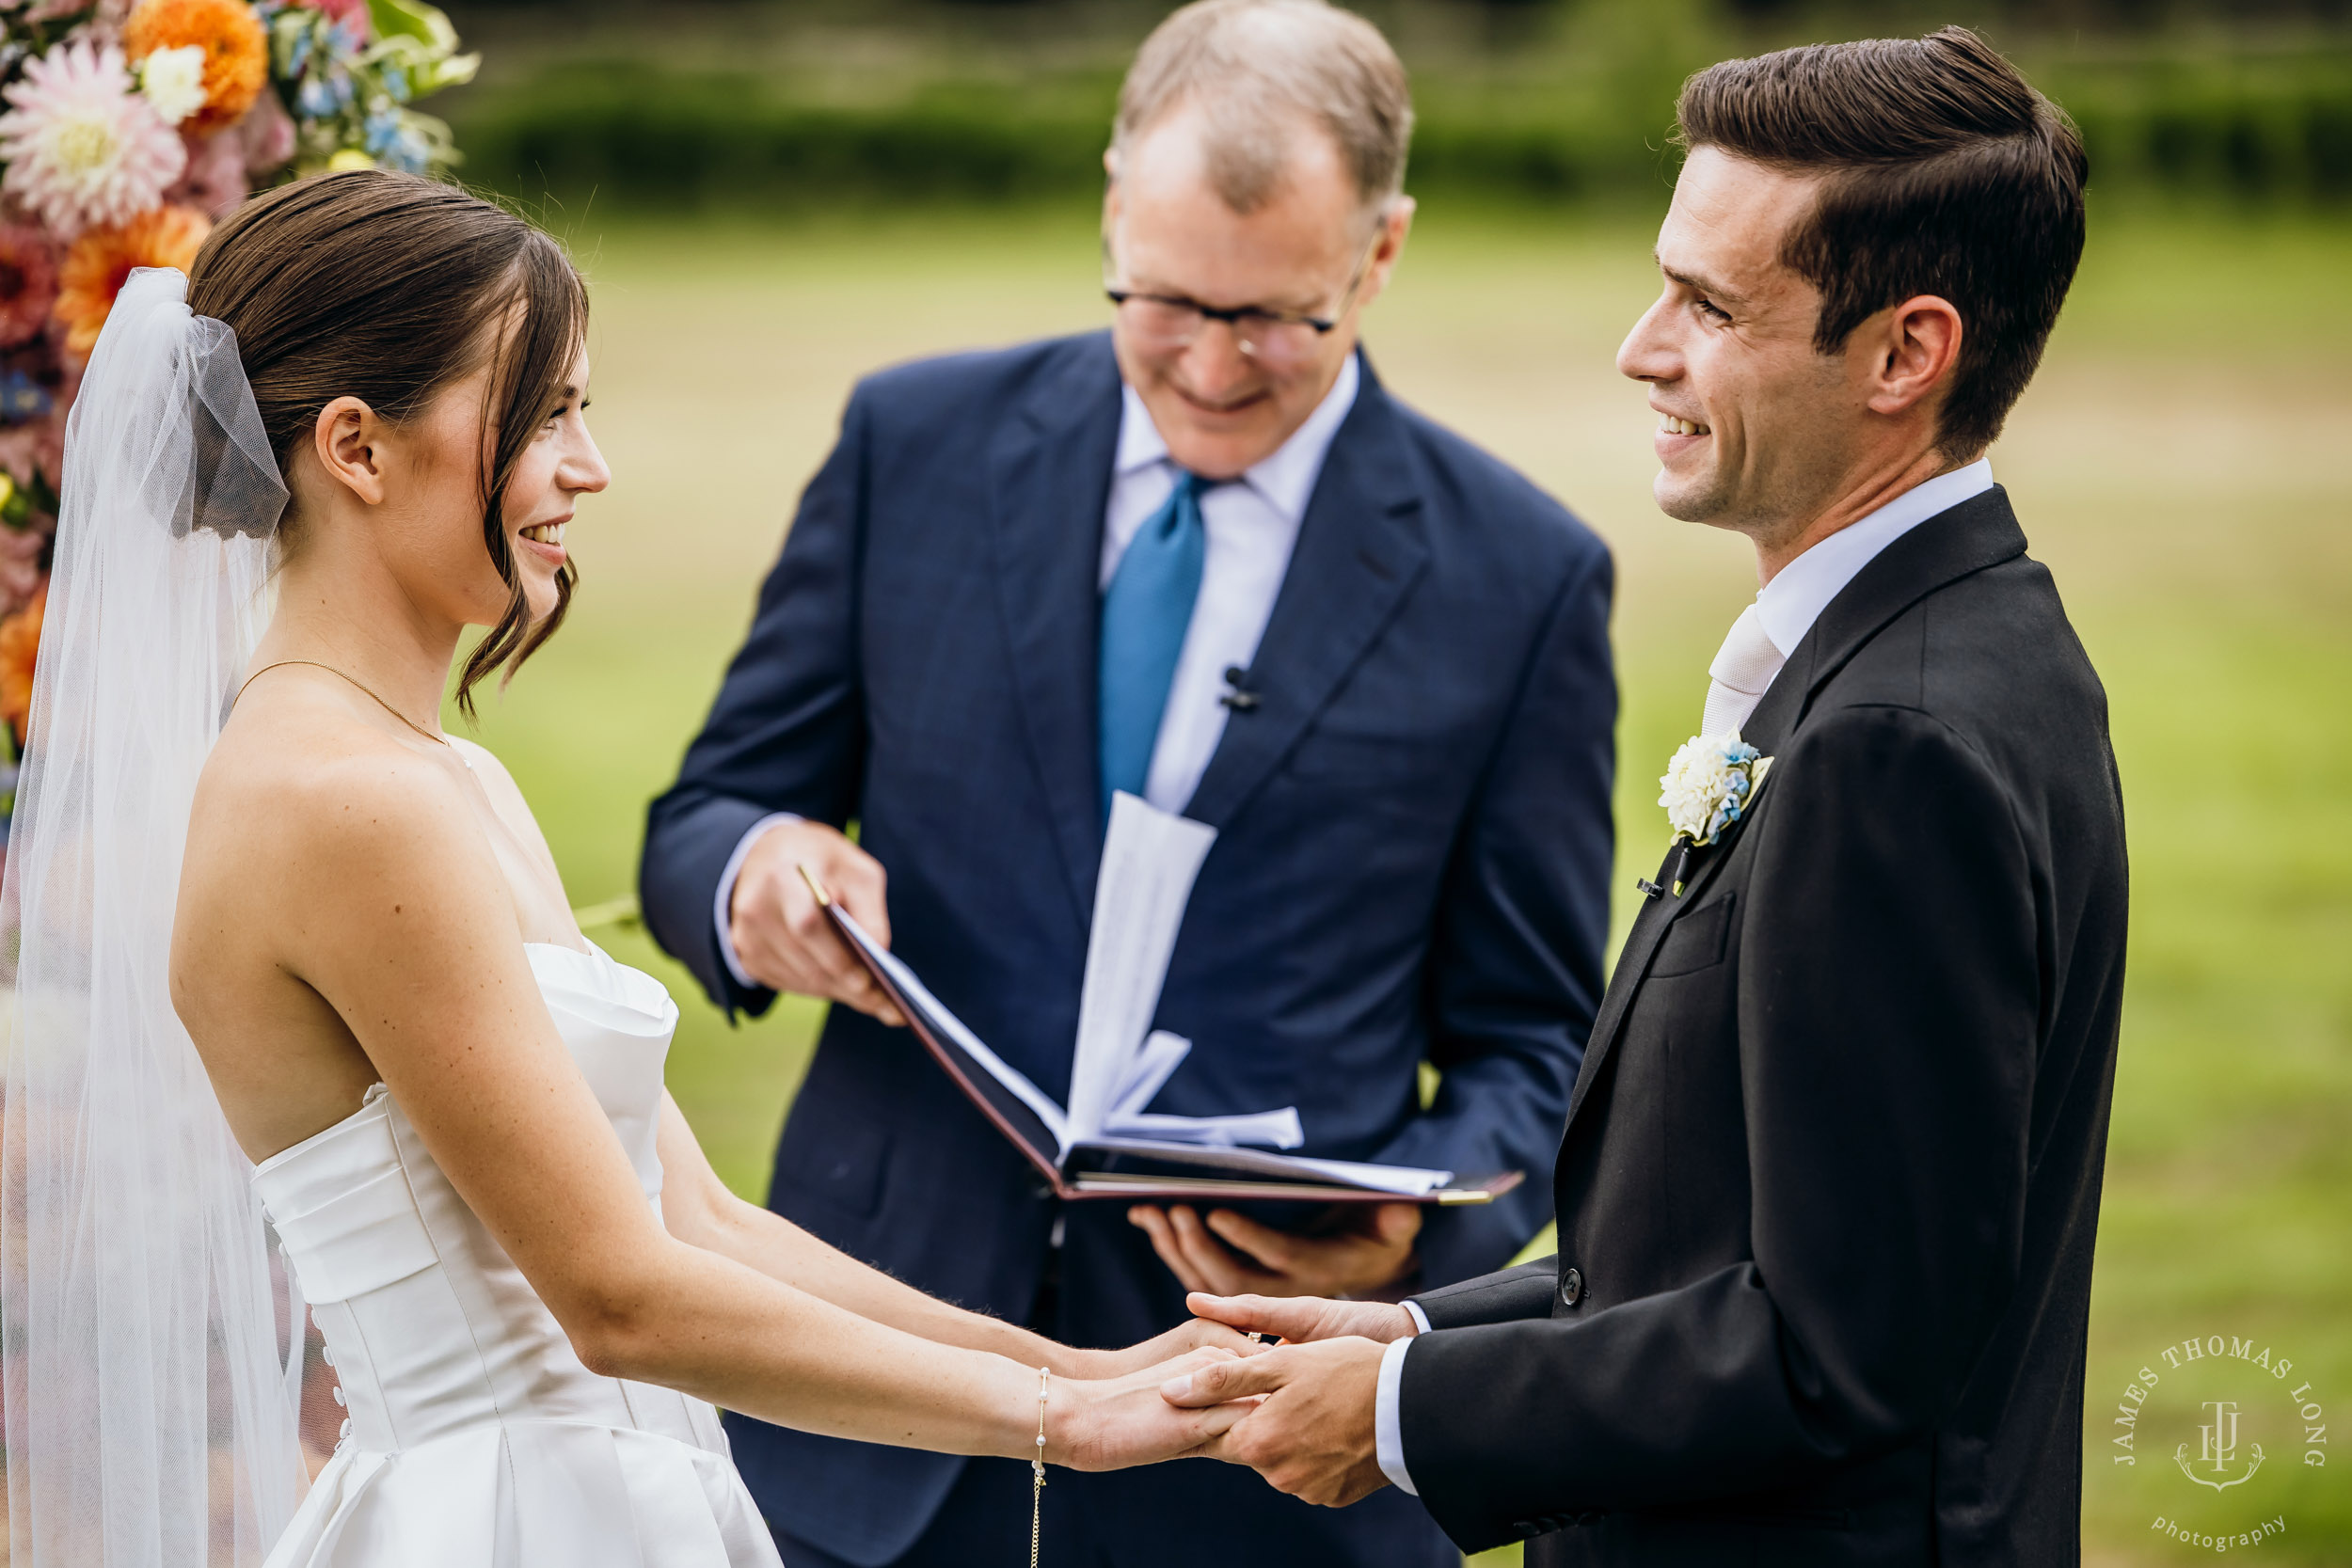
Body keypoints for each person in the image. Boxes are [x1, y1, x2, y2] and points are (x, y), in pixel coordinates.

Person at [0, 171, 1255, 1568]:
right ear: (356, 447)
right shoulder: (335, 803)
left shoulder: (448, 777)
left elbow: (697, 1219)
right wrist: (1054, 1425)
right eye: (543, 414)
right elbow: (618, 1298)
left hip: (627, 1496)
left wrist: (1087, 1371)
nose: (588, 468)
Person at [635, 1, 1615, 1562]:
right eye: (1166, 300)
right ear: (1110, 204)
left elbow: (1542, 1045)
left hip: (1259, 1447)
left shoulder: (1524, 576)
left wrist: (1418, 1238)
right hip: (879, 1398)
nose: (1215, 366)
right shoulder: (916, 443)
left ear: (1381, 252)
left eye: (1280, 318)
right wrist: (759, 877)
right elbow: (703, 817)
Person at [1168, 26, 2130, 1568]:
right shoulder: (1957, 637)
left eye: (1709, 305)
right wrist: (1397, 1333)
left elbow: (1839, 1346)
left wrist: (1405, 1417)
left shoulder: (1899, 744)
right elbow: (1718, 1245)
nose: (1642, 345)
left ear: (1906, 353)